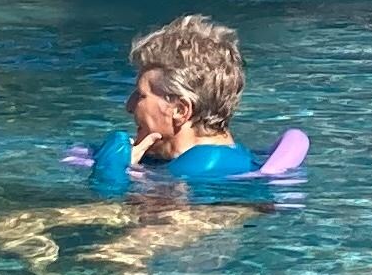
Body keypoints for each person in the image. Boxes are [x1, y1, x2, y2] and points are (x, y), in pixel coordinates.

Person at [90, 15, 264, 189]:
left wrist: (109, 175)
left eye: (141, 95)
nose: (129, 106)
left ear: (180, 110)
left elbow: (113, 214)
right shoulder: (237, 160)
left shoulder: (189, 178)